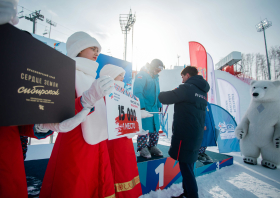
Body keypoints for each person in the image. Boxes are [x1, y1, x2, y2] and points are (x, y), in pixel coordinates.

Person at [40, 32, 116, 198]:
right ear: (79, 49)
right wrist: (86, 100)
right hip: (75, 140)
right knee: (76, 185)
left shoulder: (91, 75)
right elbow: (60, 111)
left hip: (97, 142)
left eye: (98, 49)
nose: (97, 52)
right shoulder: (65, 73)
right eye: (93, 48)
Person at [158, 66, 209, 198]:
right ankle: (187, 193)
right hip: (196, 134)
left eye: (182, 77)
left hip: (185, 134)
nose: (182, 80)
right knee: (189, 165)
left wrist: (158, 93)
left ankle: (192, 195)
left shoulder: (187, 88)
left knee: (186, 167)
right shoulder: (203, 92)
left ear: (187, 75)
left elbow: (165, 98)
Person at [100, 64, 146, 198]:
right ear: (111, 74)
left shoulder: (123, 93)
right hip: (113, 139)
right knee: (117, 167)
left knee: (125, 167)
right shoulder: (107, 92)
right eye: (120, 75)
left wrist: (138, 115)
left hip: (124, 138)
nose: (123, 78)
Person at [133, 59, 164, 158]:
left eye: (160, 69)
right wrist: (141, 107)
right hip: (145, 107)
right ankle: (142, 148)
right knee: (144, 128)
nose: (159, 71)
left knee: (155, 128)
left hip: (154, 108)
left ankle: (152, 146)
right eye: (158, 69)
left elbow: (157, 92)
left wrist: (159, 105)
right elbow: (138, 91)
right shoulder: (142, 75)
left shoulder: (156, 77)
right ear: (152, 66)